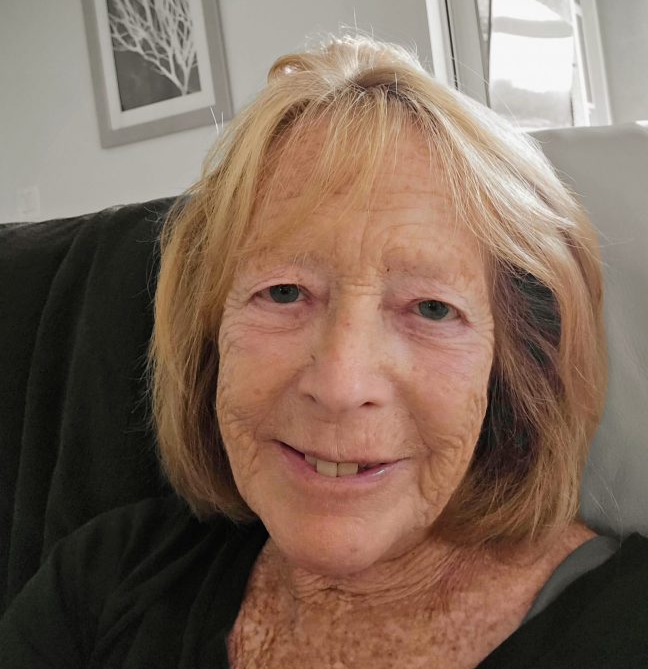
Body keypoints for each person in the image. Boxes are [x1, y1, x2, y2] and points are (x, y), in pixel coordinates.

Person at [1, 34, 647, 668]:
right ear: (210, 336)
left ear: (511, 365)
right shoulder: (102, 580)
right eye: (284, 292)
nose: (340, 385)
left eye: (430, 308)